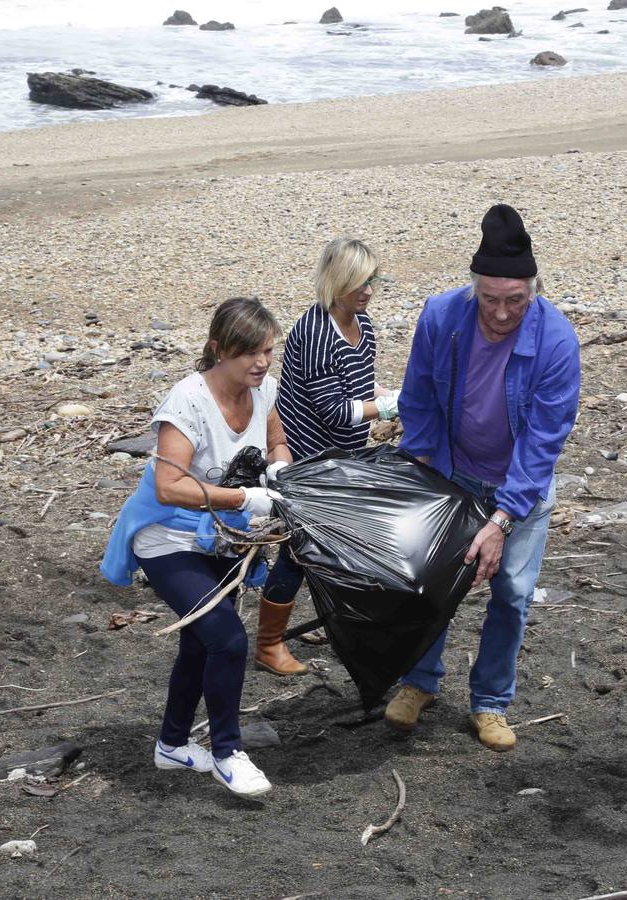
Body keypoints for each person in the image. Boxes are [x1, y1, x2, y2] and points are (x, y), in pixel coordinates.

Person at [383, 204, 581, 753]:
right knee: (428, 582)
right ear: (474, 290)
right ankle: (419, 682)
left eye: (514, 300)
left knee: (512, 594)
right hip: (452, 471)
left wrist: (501, 518)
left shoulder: (558, 342)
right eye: (489, 300)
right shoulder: (443, 317)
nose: (499, 314)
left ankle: (490, 702)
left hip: (519, 486)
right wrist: (420, 462)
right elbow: (418, 397)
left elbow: (542, 444)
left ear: (532, 291)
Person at [100, 297, 289, 798]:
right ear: (218, 350)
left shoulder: (263, 390)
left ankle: (172, 745)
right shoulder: (187, 402)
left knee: (200, 641)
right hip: (167, 536)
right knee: (227, 639)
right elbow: (169, 486)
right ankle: (228, 753)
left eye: (268, 350)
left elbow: (276, 442)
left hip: (221, 538)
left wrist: (281, 473)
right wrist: (247, 497)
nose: (262, 362)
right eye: (250, 353)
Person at [257, 237, 401, 676]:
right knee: (298, 549)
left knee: (337, 544)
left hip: (343, 454)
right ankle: (268, 644)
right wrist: (395, 405)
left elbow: (357, 389)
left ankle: (332, 617)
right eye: (360, 281)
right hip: (307, 456)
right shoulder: (316, 331)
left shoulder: (364, 324)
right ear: (336, 281)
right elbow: (335, 412)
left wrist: (384, 395)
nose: (369, 290)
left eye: (373, 280)